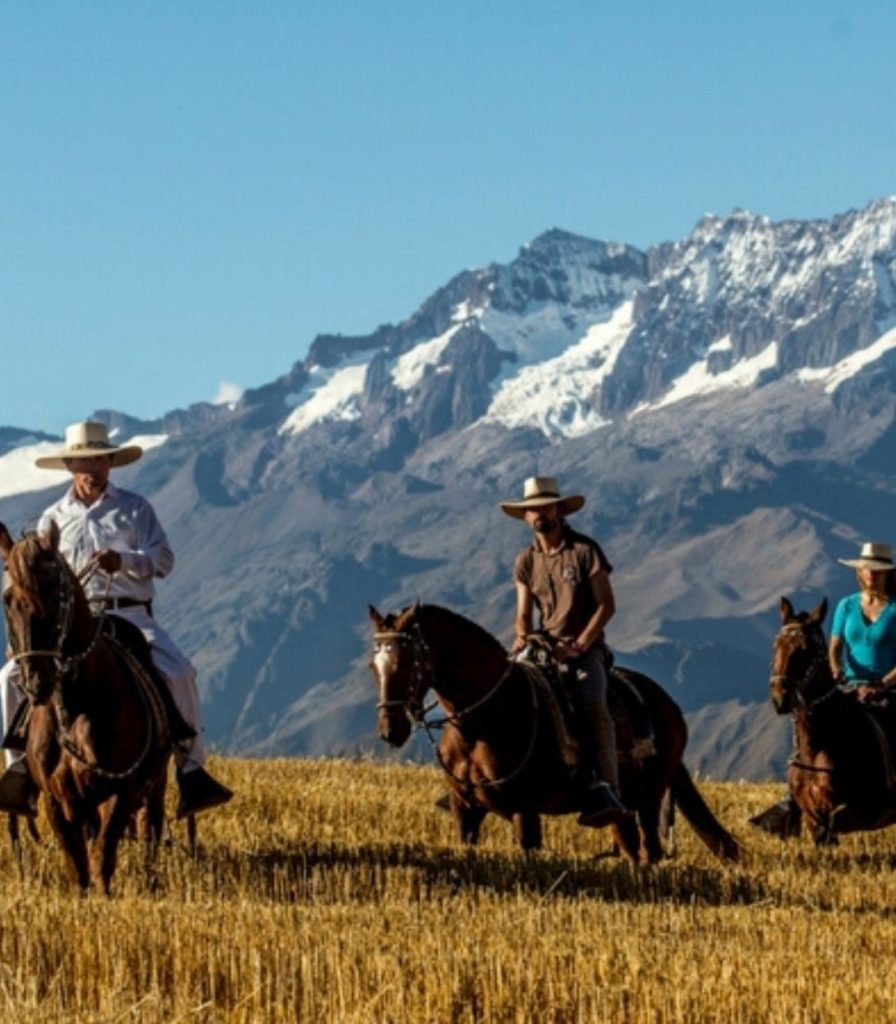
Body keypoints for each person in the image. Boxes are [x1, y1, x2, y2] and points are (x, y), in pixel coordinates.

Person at [0, 421, 233, 818]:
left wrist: (122, 561)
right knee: (8, 677)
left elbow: (164, 560)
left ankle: (191, 768)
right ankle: (18, 769)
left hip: (129, 613)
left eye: (98, 460)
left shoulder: (136, 509)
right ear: (70, 464)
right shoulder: (51, 517)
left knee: (180, 673)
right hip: (71, 623)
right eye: (82, 461)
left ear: (110, 462)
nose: (90, 468)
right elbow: (31, 578)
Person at [501, 475, 631, 828]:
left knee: (592, 704)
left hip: (584, 647)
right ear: (525, 517)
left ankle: (607, 787)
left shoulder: (585, 551)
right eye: (532, 510)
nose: (538, 514)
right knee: (503, 693)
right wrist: (524, 637)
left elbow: (606, 605)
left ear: (558, 509)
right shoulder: (525, 561)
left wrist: (579, 645)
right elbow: (523, 615)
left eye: (545, 507)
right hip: (542, 645)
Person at [830, 541, 896, 702]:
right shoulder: (846, 605)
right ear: (860, 571)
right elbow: (834, 648)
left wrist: (882, 684)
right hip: (851, 686)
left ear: (887, 573)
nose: (872, 574)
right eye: (867, 568)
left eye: (878, 570)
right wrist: (836, 669)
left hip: (890, 688)